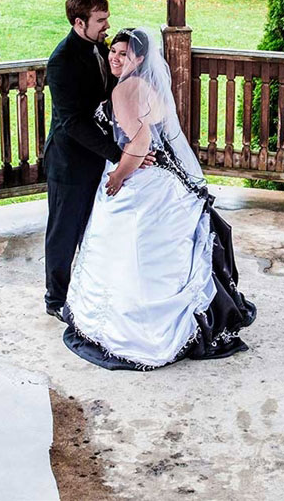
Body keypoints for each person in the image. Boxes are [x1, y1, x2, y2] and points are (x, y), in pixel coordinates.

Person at [62, 27, 256, 370]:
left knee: (127, 249)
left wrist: (118, 176)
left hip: (139, 182)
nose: (116, 58)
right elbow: (155, 137)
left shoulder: (124, 90)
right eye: (114, 51)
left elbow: (138, 145)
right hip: (164, 179)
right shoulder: (149, 85)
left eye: (125, 54)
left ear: (139, 59)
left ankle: (136, 332)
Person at [42, 0, 151, 321]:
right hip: (69, 160)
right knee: (65, 230)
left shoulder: (99, 49)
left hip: (98, 157)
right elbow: (72, 121)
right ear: (79, 23)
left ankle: (87, 290)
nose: (107, 26)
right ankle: (56, 299)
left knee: (94, 229)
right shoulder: (60, 63)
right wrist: (120, 154)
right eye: (100, 20)